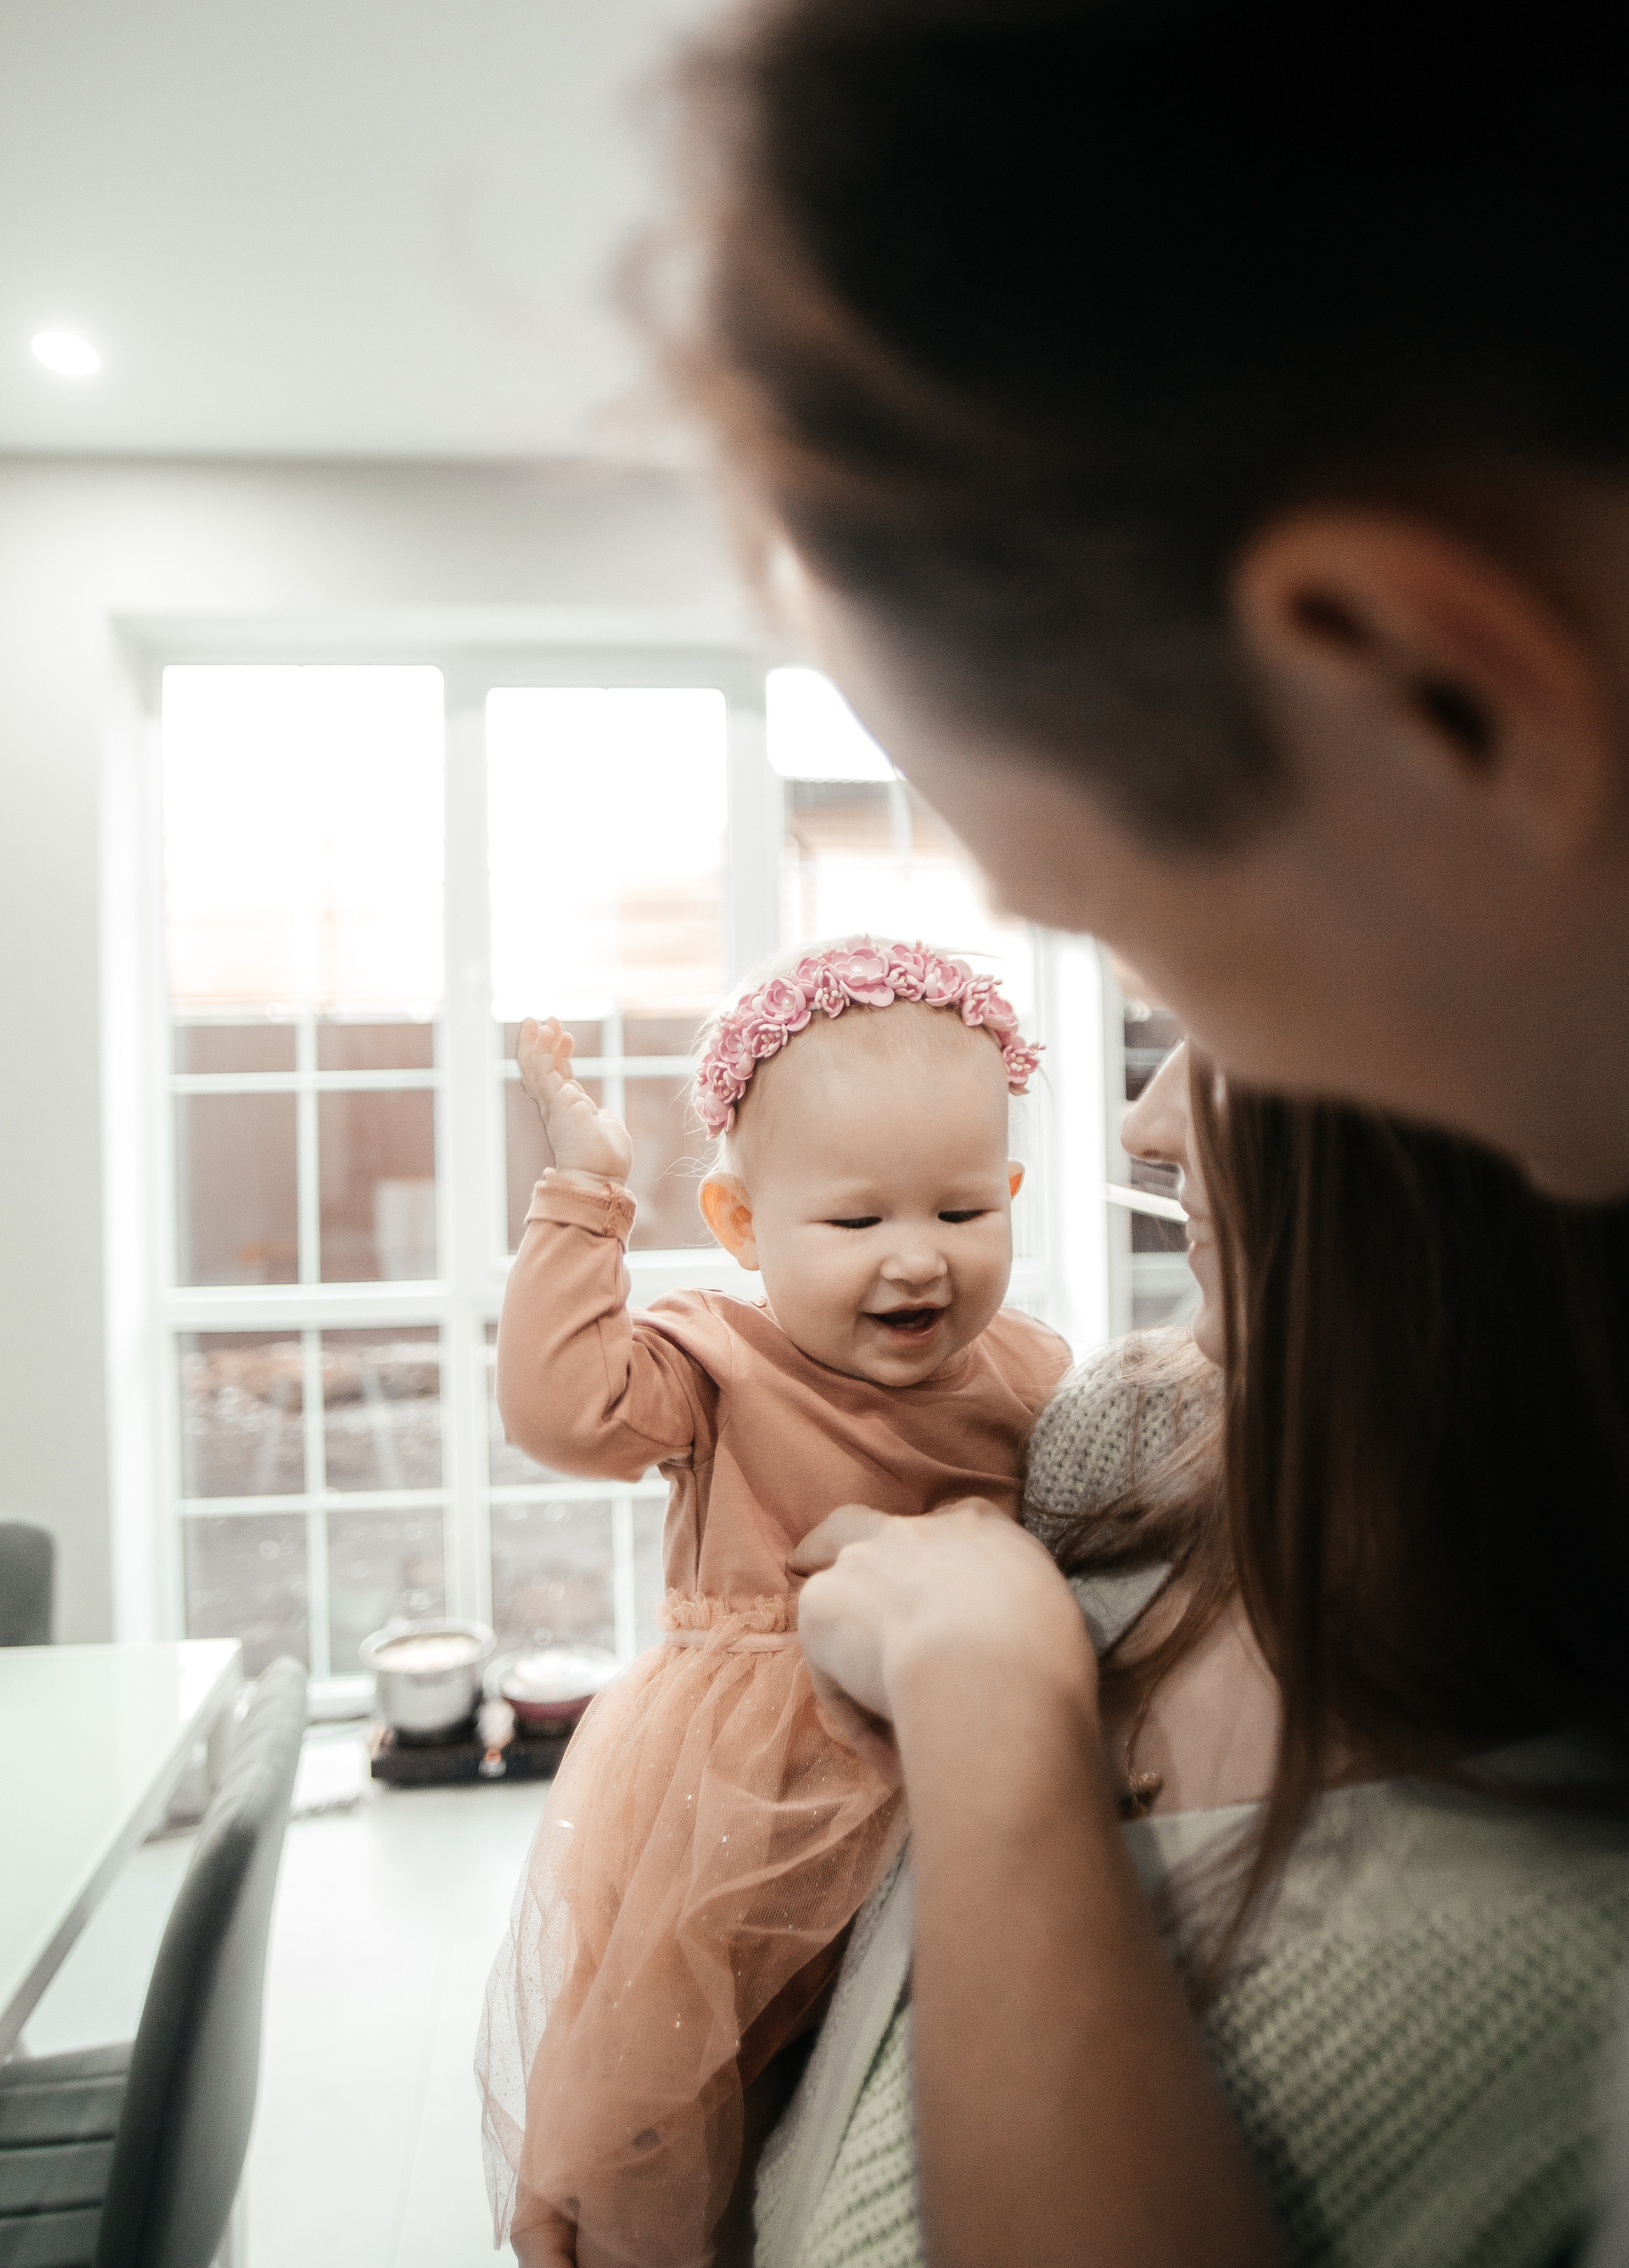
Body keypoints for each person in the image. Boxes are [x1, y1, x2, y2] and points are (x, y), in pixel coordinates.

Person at [636, 2, 1629, 2258]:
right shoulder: (1163, 1460)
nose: (1161, 1120)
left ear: (1437, 690)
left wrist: (998, 1730)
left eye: (1158, 964)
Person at [760, 1042, 1629, 2265]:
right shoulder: (1112, 1439)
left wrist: (990, 1700)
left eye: (1234, 1030)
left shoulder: (1577, 1991)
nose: (1145, 1123)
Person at [477, 938, 1068, 2268]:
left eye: (963, 1213)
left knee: (893, 2078)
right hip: (737, 1799)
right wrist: (583, 1195)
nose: (915, 1261)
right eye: (857, 1223)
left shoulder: (1028, 1373)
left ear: (1011, 1196)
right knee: (676, 2099)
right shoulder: (716, 1360)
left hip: (945, 1758)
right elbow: (559, 1411)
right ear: (743, 1224)